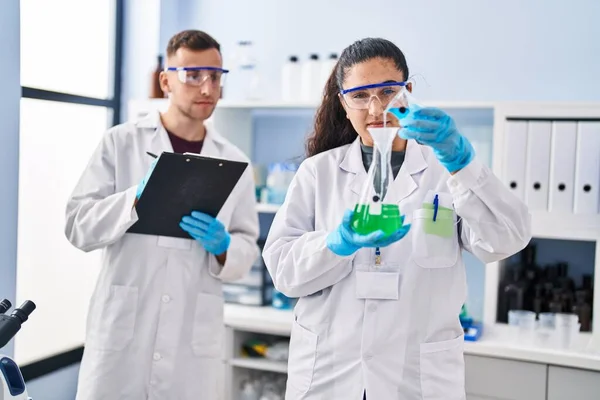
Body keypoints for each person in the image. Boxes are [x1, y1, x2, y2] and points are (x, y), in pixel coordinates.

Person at [262, 37, 531, 400]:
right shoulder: (318, 173)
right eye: (359, 96)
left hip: (417, 380)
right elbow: (283, 271)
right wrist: (334, 244)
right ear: (343, 102)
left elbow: (507, 238)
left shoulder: (443, 169)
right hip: (329, 376)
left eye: (388, 91)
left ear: (408, 92)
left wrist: (464, 165)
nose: (376, 108)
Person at [65, 30, 259, 399]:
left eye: (216, 76)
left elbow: (246, 246)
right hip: (123, 338)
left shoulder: (234, 160)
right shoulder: (122, 143)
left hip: (191, 342)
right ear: (166, 80)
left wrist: (222, 246)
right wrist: (133, 199)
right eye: (193, 75)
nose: (207, 87)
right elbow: (77, 226)